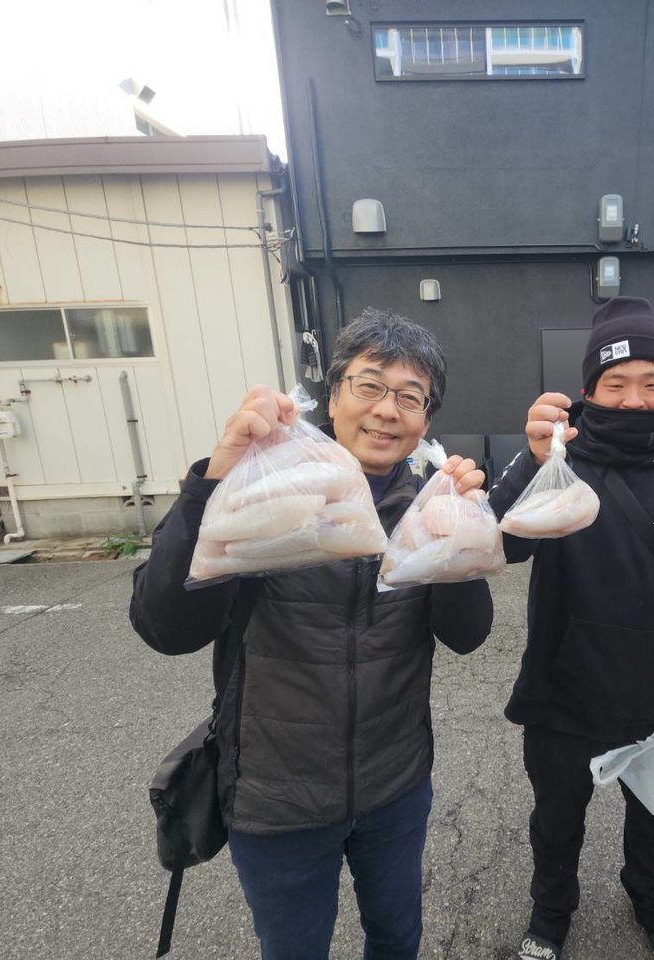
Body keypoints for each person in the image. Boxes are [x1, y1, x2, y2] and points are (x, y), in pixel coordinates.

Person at [130, 309, 493, 960]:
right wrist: (211, 483)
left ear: (426, 419)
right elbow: (167, 627)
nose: (387, 410)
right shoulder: (268, 488)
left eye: (410, 397)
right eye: (370, 385)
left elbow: (467, 636)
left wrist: (458, 537)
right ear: (333, 396)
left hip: (395, 785)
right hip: (276, 798)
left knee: (397, 939)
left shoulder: (424, 506)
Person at [488, 296, 654, 960]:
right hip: (563, 689)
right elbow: (501, 544)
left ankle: (652, 902)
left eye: (652, 383)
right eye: (615, 384)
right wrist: (531, 460)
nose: (635, 399)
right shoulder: (558, 461)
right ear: (588, 390)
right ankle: (550, 915)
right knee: (556, 821)